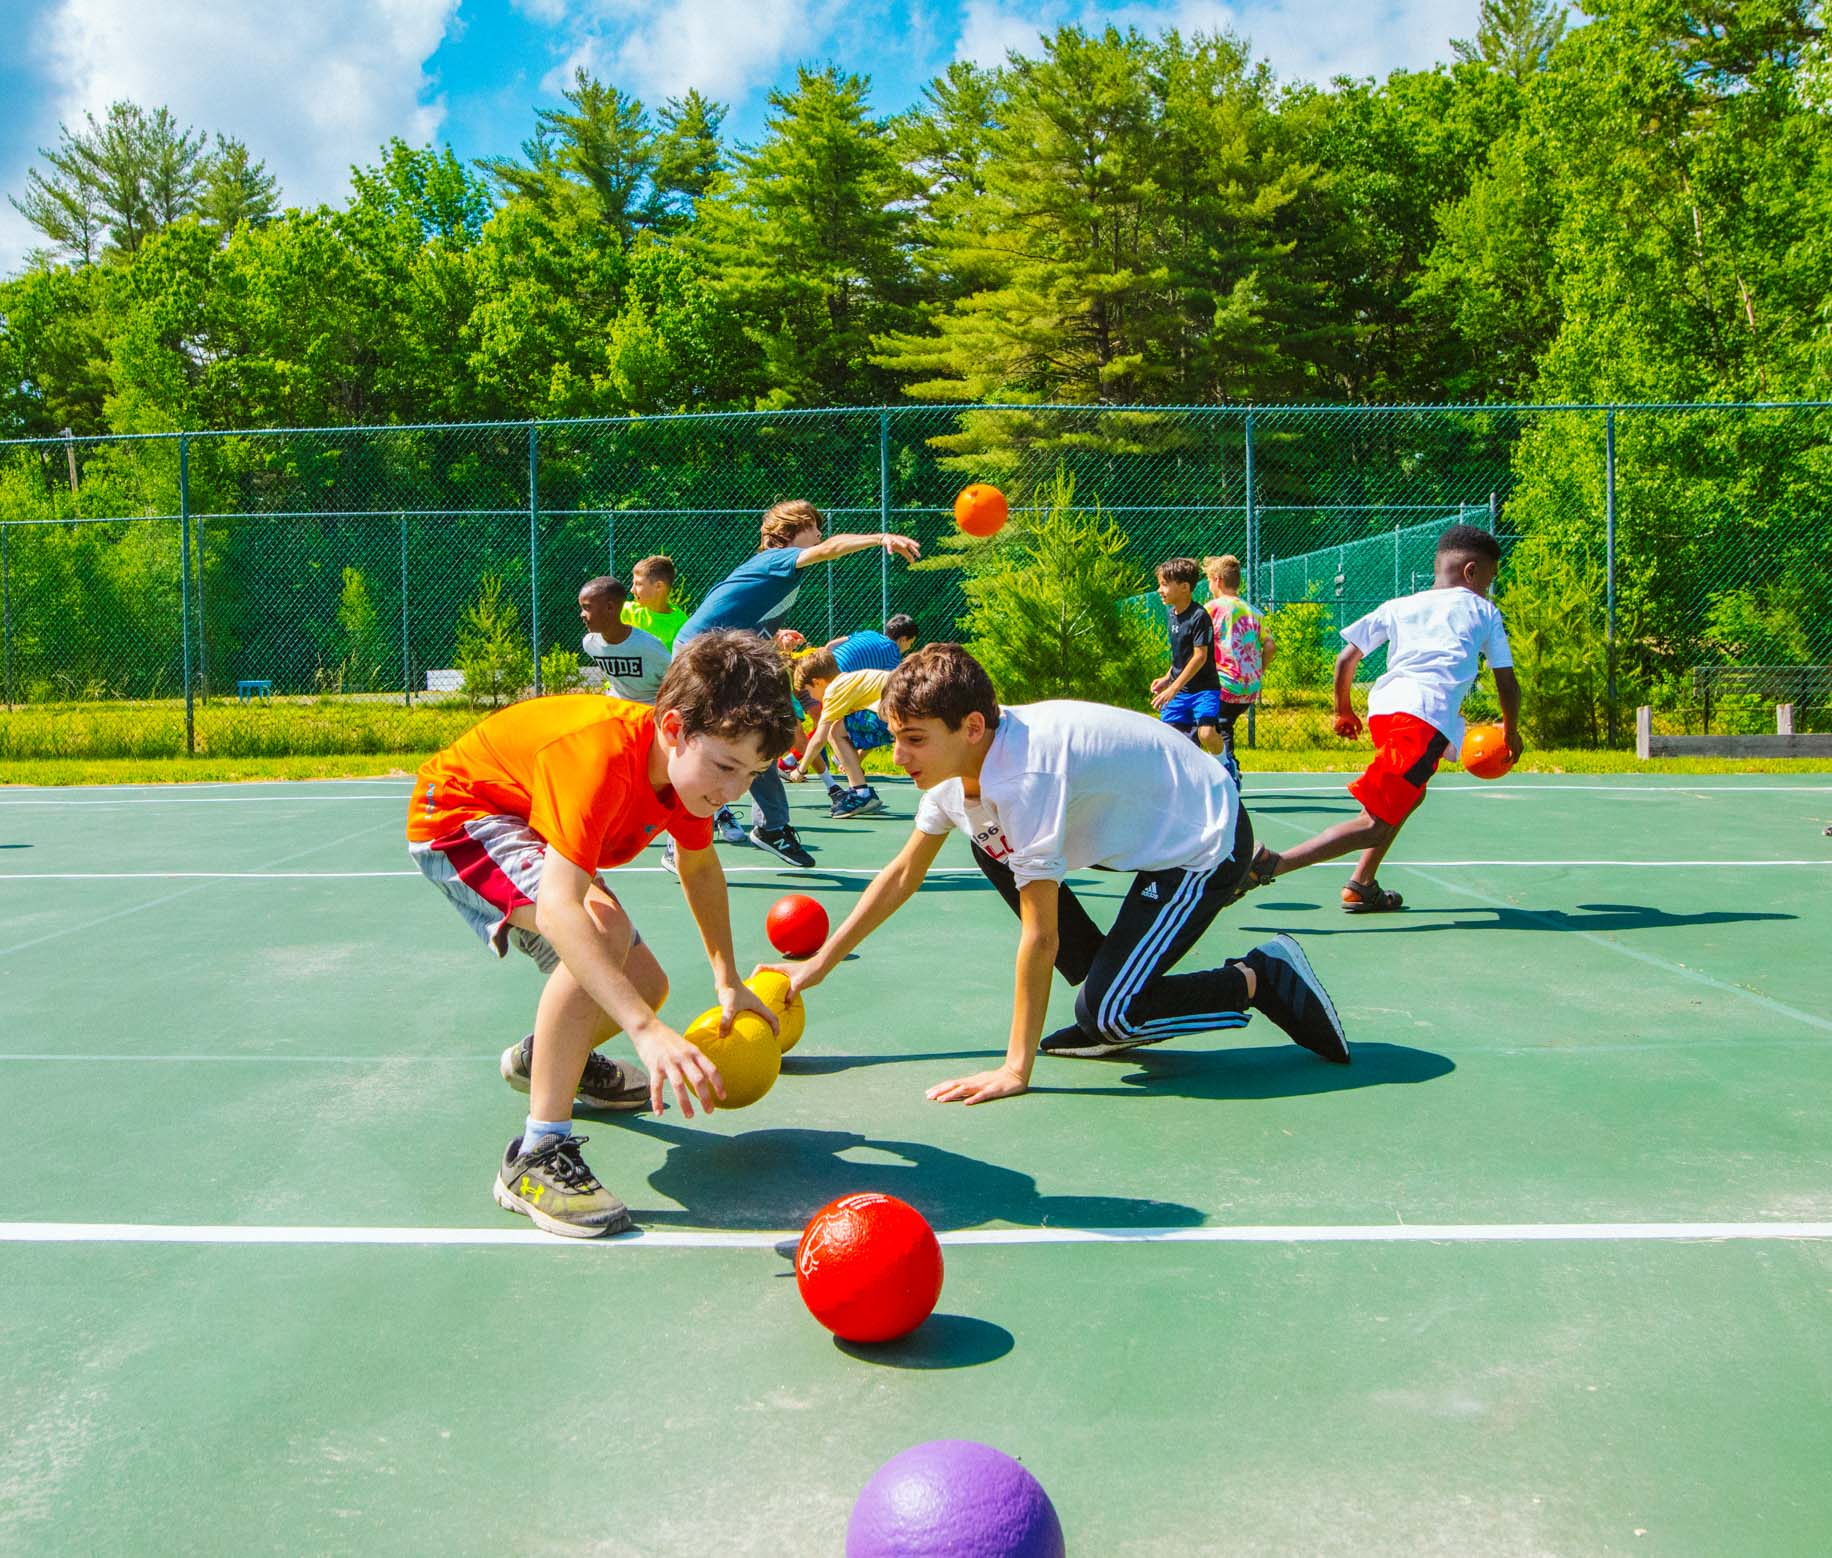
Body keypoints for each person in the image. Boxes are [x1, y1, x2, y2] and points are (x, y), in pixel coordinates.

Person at [766, 644, 1349, 1105]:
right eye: (896, 739)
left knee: (1112, 1015)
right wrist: (820, 964)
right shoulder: (953, 772)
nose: (898, 758)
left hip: (1203, 840)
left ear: (971, 727)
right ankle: (1109, 986)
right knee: (991, 846)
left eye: (914, 741)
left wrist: (1015, 1068)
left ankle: (1259, 976)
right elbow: (901, 875)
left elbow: (1040, 935)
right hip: (1141, 834)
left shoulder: (1026, 776)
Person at [406, 631, 796, 1237]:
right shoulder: (600, 757)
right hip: (461, 816)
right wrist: (643, 1031)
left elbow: (697, 865)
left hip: (523, 812)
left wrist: (727, 979)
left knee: (645, 981)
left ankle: (549, 1057)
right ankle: (535, 1156)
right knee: (601, 933)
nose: (732, 791)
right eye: (725, 766)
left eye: (752, 774)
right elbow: (562, 910)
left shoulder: (687, 784)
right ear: (672, 729)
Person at [1247, 523, 1522, 912]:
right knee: (1374, 822)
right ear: (1471, 571)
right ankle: (1272, 864)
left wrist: (1343, 709)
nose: (1488, 588)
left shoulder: (1401, 605)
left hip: (1386, 711)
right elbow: (1506, 682)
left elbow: (1346, 658)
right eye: (1489, 579)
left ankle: (1362, 883)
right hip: (1421, 719)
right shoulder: (1483, 611)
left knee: (1411, 793)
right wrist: (1511, 732)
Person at [673, 500, 921, 867]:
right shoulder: (778, 559)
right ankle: (684, 833)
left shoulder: (773, 571)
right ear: (791, 531)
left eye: (820, 527)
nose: (819, 533)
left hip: (725, 652)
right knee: (717, 741)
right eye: (813, 526)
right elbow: (830, 548)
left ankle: (770, 827)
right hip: (705, 655)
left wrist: (770, 635)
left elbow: (735, 610)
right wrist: (880, 537)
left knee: (764, 736)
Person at [789, 649, 895, 817]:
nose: (813, 697)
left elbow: (819, 738)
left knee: (834, 730)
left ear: (818, 682)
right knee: (844, 728)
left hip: (893, 713)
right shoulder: (852, 681)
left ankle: (861, 794)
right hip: (904, 711)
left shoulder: (833, 691)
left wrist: (800, 769)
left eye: (809, 691)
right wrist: (855, 758)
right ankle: (862, 791)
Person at [1203, 554, 1274, 790]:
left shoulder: (1212, 610)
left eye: (1209, 581)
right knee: (1224, 724)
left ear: (1217, 580)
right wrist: (1258, 671)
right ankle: (1228, 766)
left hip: (1225, 682)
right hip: (1249, 686)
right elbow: (1270, 646)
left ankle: (1229, 770)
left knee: (1216, 725)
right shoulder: (1254, 611)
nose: (1209, 587)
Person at [1149, 557, 1223, 755]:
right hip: (1181, 691)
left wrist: (1173, 688)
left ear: (1184, 587)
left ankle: (1225, 763)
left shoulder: (1199, 616)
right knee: (1168, 737)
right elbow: (1181, 657)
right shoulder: (1172, 614)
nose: (1159, 590)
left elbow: (1199, 657)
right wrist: (1167, 678)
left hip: (1204, 690)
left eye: (1164, 584)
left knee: (1206, 734)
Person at [578, 575, 672, 703]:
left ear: (610, 607)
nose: (582, 614)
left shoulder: (650, 646)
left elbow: (677, 680)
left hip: (650, 711)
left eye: (587, 608)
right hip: (618, 708)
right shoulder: (590, 644)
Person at [621, 556, 690, 648]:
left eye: (638, 584)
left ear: (658, 586)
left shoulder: (681, 623)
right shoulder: (625, 611)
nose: (632, 590)